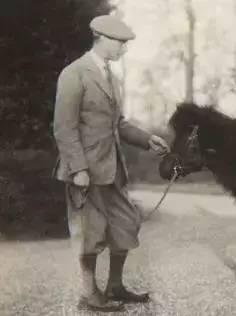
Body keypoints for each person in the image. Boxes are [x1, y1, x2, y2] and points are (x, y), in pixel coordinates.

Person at [52, 15, 170, 312]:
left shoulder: (112, 78)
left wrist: (147, 139)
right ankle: (89, 294)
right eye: (121, 43)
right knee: (89, 233)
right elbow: (63, 128)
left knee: (127, 223)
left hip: (112, 169)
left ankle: (115, 286)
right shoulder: (74, 73)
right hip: (85, 171)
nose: (124, 50)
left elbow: (119, 123)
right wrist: (78, 168)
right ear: (102, 38)